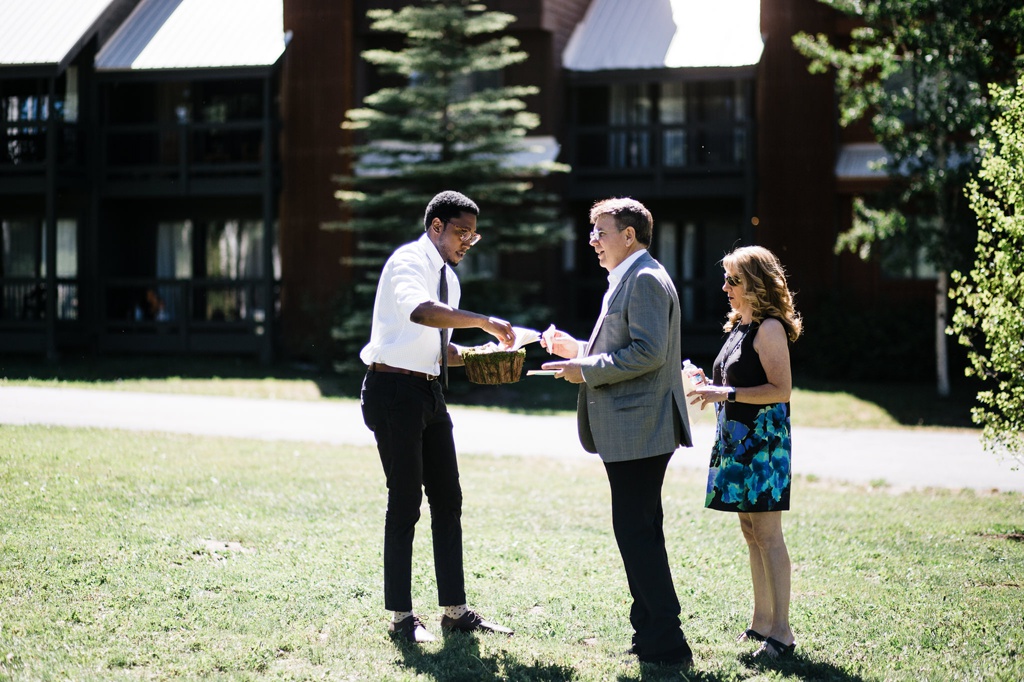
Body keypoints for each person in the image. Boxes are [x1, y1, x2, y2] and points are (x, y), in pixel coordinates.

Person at [540, 197, 694, 667]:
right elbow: (625, 345)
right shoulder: (631, 275)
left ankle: (666, 644)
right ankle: (650, 634)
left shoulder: (644, 278)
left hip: (640, 425)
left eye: (600, 232)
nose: (592, 241)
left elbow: (648, 353)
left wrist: (583, 369)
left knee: (635, 531)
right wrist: (578, 349)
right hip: (636, 425)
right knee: (642, 529)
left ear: (629, 235)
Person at [359, 190, 517, 643]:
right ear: (436, 228)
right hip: (392, 392)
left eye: (474, 233)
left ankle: (455, 610)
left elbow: (436, 346)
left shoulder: (450, 277)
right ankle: (401, 619)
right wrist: (484, 321)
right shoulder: (409, 262)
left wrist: (477, 355)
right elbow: (421, 312)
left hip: (428, 393)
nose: (468, 241)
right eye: (461, 231)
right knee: (405, 503)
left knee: (448, 498)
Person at [689, 245, 802, 660]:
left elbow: (781, 389)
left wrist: (727, 391)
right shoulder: (739, 325)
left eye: (733, 280)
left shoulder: (769, 328)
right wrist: (706, 381)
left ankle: (784, 634)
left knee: (768, 535)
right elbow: (731, 379)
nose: (725, 287)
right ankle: (761, 623)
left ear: (756, 284)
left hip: (763, 447)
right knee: (751, 533)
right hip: (736, 442)